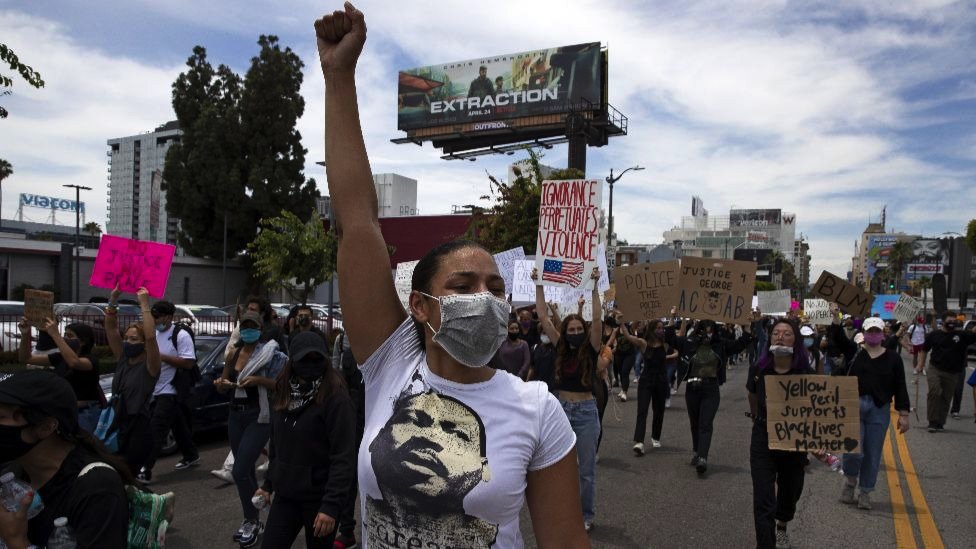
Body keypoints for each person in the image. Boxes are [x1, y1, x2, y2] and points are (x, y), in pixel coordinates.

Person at [314, 5, 587, 546]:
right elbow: (357, 222)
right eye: (462, 287)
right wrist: (338, 78)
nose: (484, 299)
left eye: (496, 288)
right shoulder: (391, 365)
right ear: (420, 305)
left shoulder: (537, 410)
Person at [0, 370, 130, 548]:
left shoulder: (96, 487)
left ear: (46, 427)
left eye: (0, 417)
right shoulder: (13, 476)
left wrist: (16, 541)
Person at [254, 332, 356, 549]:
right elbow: (277, 445)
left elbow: (343, 457)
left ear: (325, 361)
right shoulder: (284, 391)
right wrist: (268, 484)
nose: (310, 365)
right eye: (304, 360)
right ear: (293, 361)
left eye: (316, 359)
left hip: (320, 500)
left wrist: (330, 506)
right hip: (286, 495)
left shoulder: (336, 399)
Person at [534, 267, 603, 532]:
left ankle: (586, 515)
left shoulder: (591, 348)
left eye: (578, 328)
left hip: (586, 412)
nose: (574, 331)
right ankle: (558, 511)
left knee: (586, 471)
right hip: (560, 409)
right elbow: (543, 315)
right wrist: (539, 283)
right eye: (570, 328)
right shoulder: (560, 346)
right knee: (554, 468)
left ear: (583, 330)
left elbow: (597, 320)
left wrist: (594, 287)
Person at [215, 311, 288, 548]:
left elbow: (281, 384)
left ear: (260, 329)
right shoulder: (234, 352)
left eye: (252, 326)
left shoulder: (270, 353)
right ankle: (253, 518)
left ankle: (252, 519)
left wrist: (258, 381)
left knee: (239, 470)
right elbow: (223, 387)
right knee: (243, 472)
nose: (248, 330)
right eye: (244, 326)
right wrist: (221, 384)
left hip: (259, 416)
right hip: (235, 414)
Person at [829, 316, 911, 510]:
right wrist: (834, 317)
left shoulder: (893, 358)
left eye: (877, 331)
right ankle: (850, 482)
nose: (873, 334)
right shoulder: (854, 352)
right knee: (853, 451)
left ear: (883, 334)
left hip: (879, 409)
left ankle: (865, 492)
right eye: (870, 331)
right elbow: (839, 337)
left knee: (873, 453)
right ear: (863, 333)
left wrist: (904, 413)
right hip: (854, 406)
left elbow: (900, 386)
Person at [746, 319, 814, 549]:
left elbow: (816, 410)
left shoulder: (805, 372)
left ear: (795, 340)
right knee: (764, 499)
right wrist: (758, 419)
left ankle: (782, 522)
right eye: (776, 333)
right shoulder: (759, 369)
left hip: (794, 442)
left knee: (791, 490)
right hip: (764, 438)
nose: (780, 337)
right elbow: (752, 396)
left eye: (786, 333)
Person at [674, 318, 752, 475]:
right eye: (704, 328)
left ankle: (703, 457)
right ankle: (697, 451)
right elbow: (671, 339)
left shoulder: (720, 344)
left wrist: (747, 328)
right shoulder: (690, 343)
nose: (707, 332)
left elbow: (739, 345)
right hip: (692, 388)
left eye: (710, 328)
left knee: (705, 423)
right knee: (695, 422)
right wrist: (673, 318)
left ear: (715, 330)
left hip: (710, 388)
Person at [103, 287, 161, 476]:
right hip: (116, 419)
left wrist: (144, 303)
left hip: (137, 425)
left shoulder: (150, 365)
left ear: (143, 344)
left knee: (128, 472)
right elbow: (110, 328)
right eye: (126, 338)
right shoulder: (122, 358)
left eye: (134, 339)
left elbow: (151, 337)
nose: (128, 342)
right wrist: (113, 298)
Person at [140, 300, 199, 483]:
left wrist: (162, 357)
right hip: (155, 389)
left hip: (171, 389)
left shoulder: (180, 335)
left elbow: (189, 362)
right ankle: (191, 455)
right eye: (153, 317)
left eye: (157, 317)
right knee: (177, 424)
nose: (155, 320)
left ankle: (144, 469)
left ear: (168, 317)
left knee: (156, 429)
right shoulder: (153, 335)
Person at [17, 317, 102, 435]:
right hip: (62, 411)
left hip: (83, 413)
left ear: (82, 342)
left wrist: (55, 335)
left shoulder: (90, 361)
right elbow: (26, 358)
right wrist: (25, 334)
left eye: (70, 336)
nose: (66, 338)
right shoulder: (60, 357)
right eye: (64, 335)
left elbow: (74, 362)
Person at [620, 319, 677, 454]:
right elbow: (628, 336)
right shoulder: (643, 343)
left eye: (662, 328)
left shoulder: (665, 345)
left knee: (659, 410)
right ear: (652, 330)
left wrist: (673, 316)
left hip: (661, 381)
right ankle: (639, 442)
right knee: (642, 410)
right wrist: (621, 323)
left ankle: (655, 436)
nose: (661, 330)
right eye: (658, 328)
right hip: (646, 381)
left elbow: (678, 336)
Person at [332, 329, 365, 549]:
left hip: (373, 406)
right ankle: (347, 530)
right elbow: (335, 370)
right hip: (351, 407)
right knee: (349, 471)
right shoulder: (342, 339)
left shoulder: (379, 333)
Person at [919, 312, 976, 432]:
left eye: (954, 321)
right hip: (935, 369)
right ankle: (932, 422)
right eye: (949, 320)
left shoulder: (961, 335)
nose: (952, 323)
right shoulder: (934, 335)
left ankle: (940, 422)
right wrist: (920, 365)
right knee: (935, 391)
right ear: (943, 321)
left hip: (952, 372)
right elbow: (924, 350)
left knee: (946, 397)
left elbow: (973, 333)